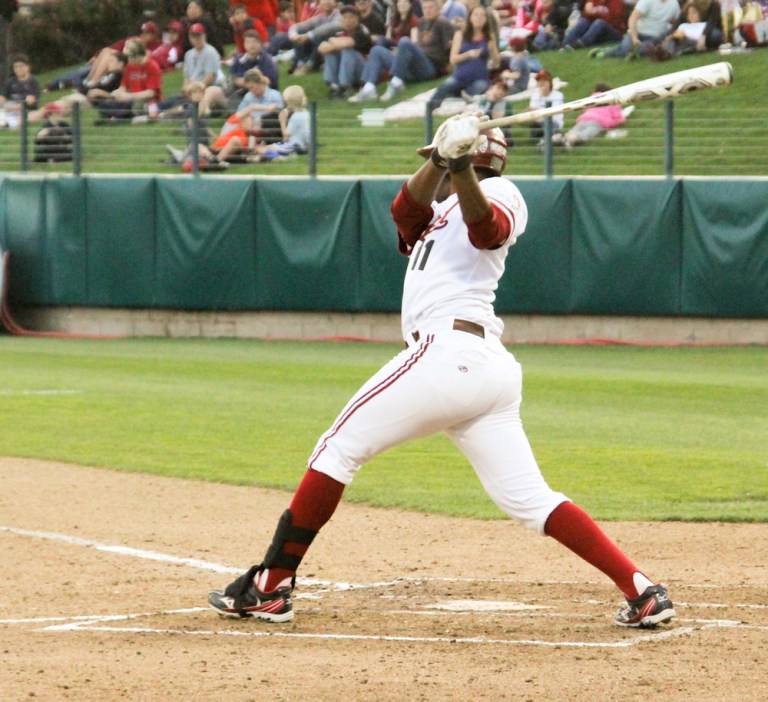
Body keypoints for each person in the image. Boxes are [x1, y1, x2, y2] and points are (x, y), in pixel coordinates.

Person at [207, 111, 677, 633]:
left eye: (450, 160)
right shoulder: (439, 207)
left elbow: (487, 230)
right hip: (476, 368)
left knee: (337, 449)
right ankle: (642, 591)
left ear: (476, 163)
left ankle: (271, 587)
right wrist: (441, 158)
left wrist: (460, 168)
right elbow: (403, 210)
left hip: (450, 352)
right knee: (529, 499)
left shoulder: (505, 194)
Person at [347, 0, 453, 103]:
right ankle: (369, 88)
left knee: (405, 41)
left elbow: (450, 46)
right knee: (376, 50)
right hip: (415, 65)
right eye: (425, 8)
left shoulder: (442, 22)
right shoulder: (422, 22)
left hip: (430, 67)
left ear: (439, 9)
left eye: (431, 7)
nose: (427, 10)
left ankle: (396, 83)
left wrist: (446, 66)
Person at [429, 4, 500, 108]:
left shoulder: (489, 37)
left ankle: (464, 96)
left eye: (482, 16)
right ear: (470, 17)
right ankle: (430, 108)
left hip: (479, 79)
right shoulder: (460, 35)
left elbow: (496, 63)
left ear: (486, 20)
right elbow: (453, 60)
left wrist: (492, 49)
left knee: (479, 88)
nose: (479, 18)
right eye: (476, 15)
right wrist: (468, 55)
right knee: (445, 86)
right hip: (459, 77)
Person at [201, 29, 278, 114]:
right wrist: (237, 81)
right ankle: (200, 122)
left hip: (260, 100)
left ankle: (224, 111)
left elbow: (270, 82)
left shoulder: (266, 60)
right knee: (211, 90)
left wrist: (249, 83)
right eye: (248, 42)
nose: (251, 45)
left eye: (254, 42)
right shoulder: (239, 59)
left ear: (259, 43)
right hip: (238, 96)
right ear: (244, 44)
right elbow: (232, 77)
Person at [95, 41, 162, 123]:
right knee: (104, 103)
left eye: (129, 57)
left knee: (135, 105)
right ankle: (116, 116)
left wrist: (128, 96)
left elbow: (151, 93)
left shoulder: (152, 66)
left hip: (145, 100)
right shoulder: (130, 67)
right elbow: (123, 87)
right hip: (129, 98)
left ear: (137, 56)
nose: (128, 61)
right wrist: (116, 94)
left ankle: (115, 117)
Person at [318, 4, 373, 99]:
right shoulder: (339, 32)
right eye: (344, 17)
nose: (347, 20)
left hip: (363, 71)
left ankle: (345, 86)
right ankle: (334, 85)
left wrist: (331, 41)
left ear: (357, 19)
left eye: (351, 17)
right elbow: (321, 48)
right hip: (346, 69)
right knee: (331, 52)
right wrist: (334, 44)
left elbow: (347, 43)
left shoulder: (361, 31)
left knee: (347, 50)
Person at [552, 82, 626, 148]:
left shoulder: (592, 99)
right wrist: (620, 120)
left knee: (574, 130)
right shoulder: (613, 101)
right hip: (597, 122)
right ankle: (572, 139)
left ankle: (560, 138)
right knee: (586, 134)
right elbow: (618, 118)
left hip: (583, 119)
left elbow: (585, 109)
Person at [248, 84, 311, 161]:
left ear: (290, 102)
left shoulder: (296, 117)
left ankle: (278, 157)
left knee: (259, 148)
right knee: (264, 147)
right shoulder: (306, 113)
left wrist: (282, 121)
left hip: (294, 145)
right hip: (302, 145)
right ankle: (263, 157)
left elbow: (286, 136)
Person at [596, 0, 680, 58]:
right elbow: (633, 18)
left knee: (645, 50)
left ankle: (633, 52)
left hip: (655, 37)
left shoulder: (674, 3)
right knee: (626, 48)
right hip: (637, 32)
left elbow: (678, 21)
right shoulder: (647, 1)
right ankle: (606, 52)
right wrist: (634, 38)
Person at [651, 0, 722, 58]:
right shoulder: (690, 3)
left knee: (715, 35)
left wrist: (703, 35)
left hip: (706, 32)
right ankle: (652, 48)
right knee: (664, 35)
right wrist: (672, 34)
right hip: (687, 30)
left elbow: (711, 23)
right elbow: (679, 21)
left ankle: (666, 52)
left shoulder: (714, 5)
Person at [562, 0, 626, 49]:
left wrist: (596, 12)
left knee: (599, 23)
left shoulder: (616, 1)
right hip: (597, 31)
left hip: (615, 33)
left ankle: (581, 44)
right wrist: (587, 10)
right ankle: (565, 43)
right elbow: (586, 16)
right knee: (583, 21)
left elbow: (615, 21)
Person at [0, 53, 40, 128]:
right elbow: (2, 98)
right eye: (16, 67)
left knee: (27, 117)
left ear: (28, 66)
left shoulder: (33, 82)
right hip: (10, 108)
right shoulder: (10, 81)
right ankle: (7, 123)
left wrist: (12, 108)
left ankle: (8, 124)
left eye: (21, 66)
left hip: (27, 111)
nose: (18, 69)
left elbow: (29, 103)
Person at [526, 68, 563, 142]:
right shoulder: (535, 95)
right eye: (539, 81)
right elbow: (531, 112)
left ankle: (547, 140)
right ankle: (550, 139)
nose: (541, 83)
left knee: (545, 121)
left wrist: (538, 112)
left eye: (544, 80)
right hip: (538, 124)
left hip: (554, 123)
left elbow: (554, 114)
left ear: (550, 82)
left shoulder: (558, 95)